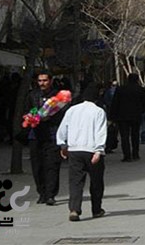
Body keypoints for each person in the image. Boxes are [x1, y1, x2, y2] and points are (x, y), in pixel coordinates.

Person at [56, 84, 107, 222]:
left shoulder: (72, 110)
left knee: (75, 181)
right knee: (96, 181)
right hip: (91, 149)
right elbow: (101, 131)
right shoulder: (99, 111)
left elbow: (63, 129)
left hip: (74, 150)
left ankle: (74, 209)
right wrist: (99, 150)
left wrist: (63, 145)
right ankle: (96, 209)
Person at [25, 70, 66, 206]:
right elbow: (29, 109)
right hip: (36, 135)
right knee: (37, 166)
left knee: (52, 165)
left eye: (45, 80)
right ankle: (41, 193)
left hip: (52, 134)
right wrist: (32, 117)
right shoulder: (32, 95)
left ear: (51, 81)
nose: (42, 83)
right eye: (40, 81)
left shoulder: (57, 96)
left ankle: (50, 194)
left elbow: (62, 114)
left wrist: (50, 117)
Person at [109, 73, 145, 162]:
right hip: (136, 115)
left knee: (124, 136)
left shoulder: (121, 89)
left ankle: (127, 155)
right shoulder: (140, 89)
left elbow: (115, 103)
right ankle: (135, 154)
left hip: (122, 116)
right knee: (135, 135)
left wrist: (112, 116)